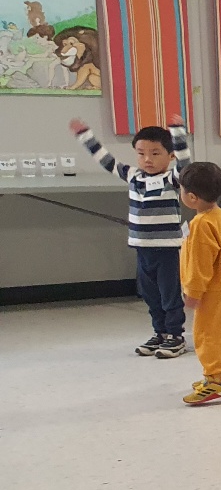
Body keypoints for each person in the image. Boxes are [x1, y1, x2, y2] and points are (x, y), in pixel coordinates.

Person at [70, 115, 194, 358]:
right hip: (142, 247)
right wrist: (85, 136)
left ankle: (175, 336)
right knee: (150, 294)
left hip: (167, 249)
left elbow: (185, 163)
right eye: (141, 153)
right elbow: (105, 160)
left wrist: (178, 131)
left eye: (155, 153)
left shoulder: (172, 179)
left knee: (170, 294)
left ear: (170, 156)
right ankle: (160, 332)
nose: (147, 159)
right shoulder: (133, 176)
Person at [176, 162, 221, 405]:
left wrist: (193, 292)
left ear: (192, 197)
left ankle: (215, 379)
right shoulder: (220, 216)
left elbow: (200, 263)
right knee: (218, 334)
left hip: (210, 292)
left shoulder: (201, 224)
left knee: (205, 336)